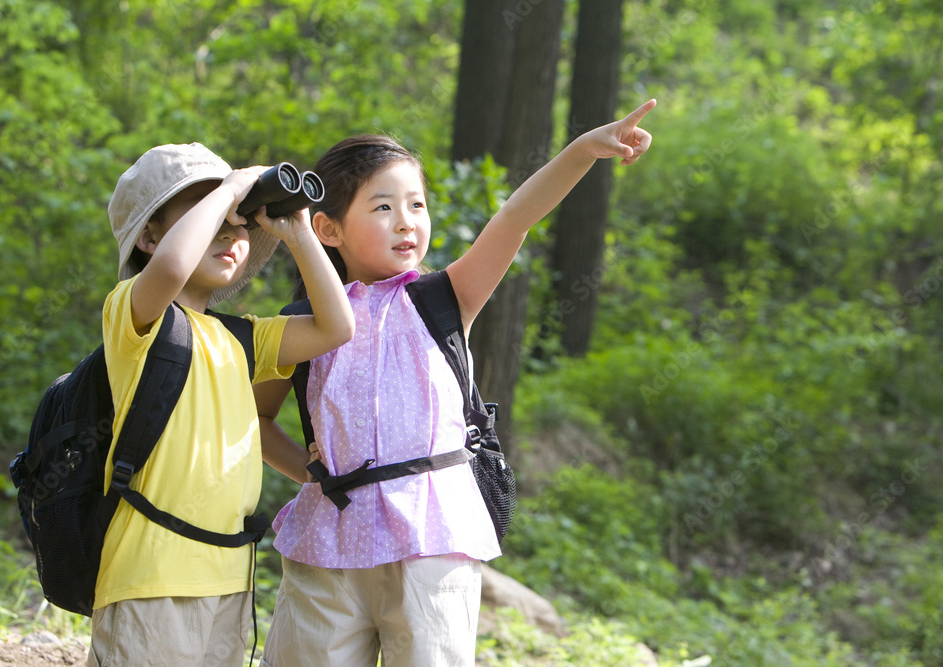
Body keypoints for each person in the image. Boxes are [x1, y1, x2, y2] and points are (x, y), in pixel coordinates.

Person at [255, 99, 656, 667]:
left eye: (417, 204)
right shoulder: (301, 324)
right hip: (328, 540)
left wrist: (582, 151)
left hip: (432, 535)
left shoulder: (444, 299)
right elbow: (258, 421)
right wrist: (311, 471)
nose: (406, 221)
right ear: (327, 228)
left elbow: (514, 217)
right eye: (383, 207)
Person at [90, 142, 354, 666]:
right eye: (207, 217)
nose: (231, 233)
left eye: (239, 227)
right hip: (150, 575)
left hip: (229, 577)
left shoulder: (241, 339)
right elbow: (166, 272)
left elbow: (336, 326)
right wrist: (232, 188)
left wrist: (299, 232)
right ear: (147, 236)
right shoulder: (135, 314)